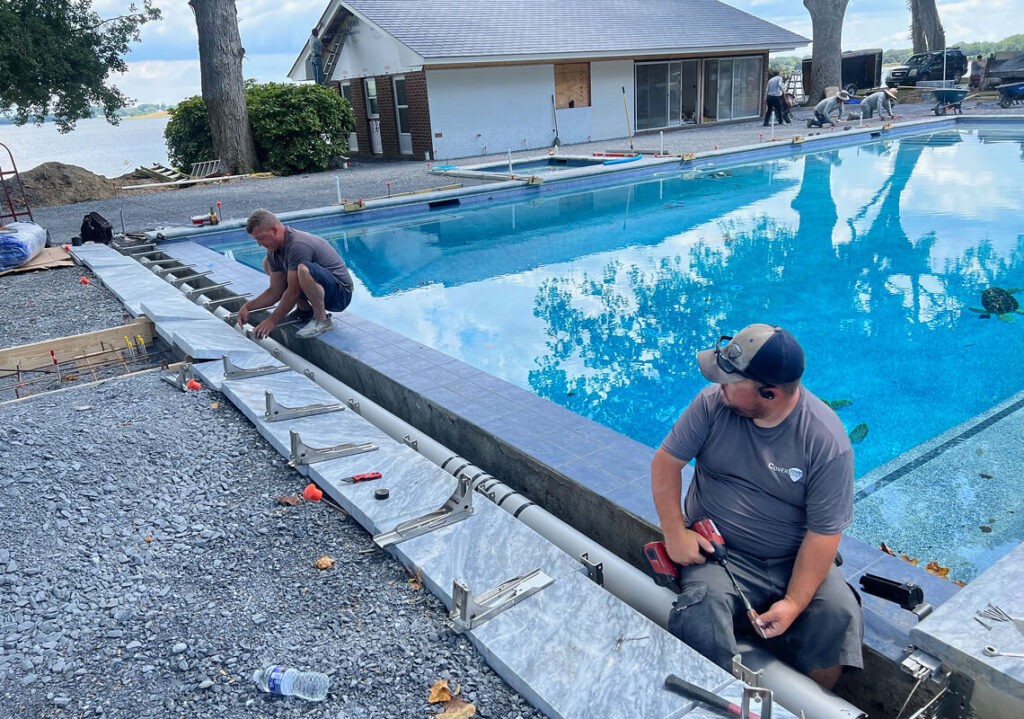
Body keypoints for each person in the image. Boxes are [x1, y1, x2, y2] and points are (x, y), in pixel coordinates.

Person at [650, 324, 863, 689]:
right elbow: (665, 464)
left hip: (792, 556)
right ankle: (714, 701)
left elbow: (825, 532)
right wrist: (675, 533)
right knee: (703, 606)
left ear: (769, 392)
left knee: (839, 614)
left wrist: (795, 602)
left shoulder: (826, 441)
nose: (721, 386)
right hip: (720, 550)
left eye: (731, 381)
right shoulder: (711, 405)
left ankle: (809, 706)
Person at [238, 209, 354, 340]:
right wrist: (247, 307)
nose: (259, 244)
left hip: (340, 294)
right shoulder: (274, 252)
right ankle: (304, 311)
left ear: (275, 230)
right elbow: (275, 291)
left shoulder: (297, 245)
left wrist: (272, 321)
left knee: (303, 269)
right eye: (256, 240)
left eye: (261, 238)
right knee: (268, 263)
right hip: (323, 290)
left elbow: (293, 291)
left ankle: (322, 319)